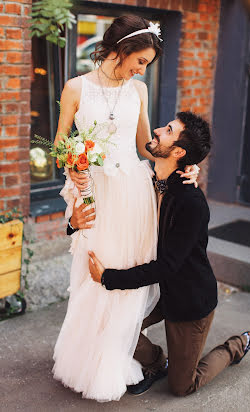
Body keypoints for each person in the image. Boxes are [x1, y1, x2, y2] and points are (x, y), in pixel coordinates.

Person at [52, 15, 199, 402]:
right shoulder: (74, 88)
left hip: (133, 194)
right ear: (120, 51)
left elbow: (147, 146)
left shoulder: (139, 91)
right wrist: (73, 166)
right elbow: (59, 146)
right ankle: (88, 360)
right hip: (95, 195)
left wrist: (187, 164)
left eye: (146, 65)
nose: (141, 69)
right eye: (140, 61)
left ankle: (116, 361)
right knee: (93, 276)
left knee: (124, 276)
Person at [89, 111, 250, 397]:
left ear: (178, 151)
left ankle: (237, 345)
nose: (156, 130)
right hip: (158, 291)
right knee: (112, 326)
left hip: (189, 301)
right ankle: (157, 362)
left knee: (182, 386)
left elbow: (167, 265)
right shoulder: (151, 180)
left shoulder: (191, 202)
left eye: (167, 130)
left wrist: (108, 277)